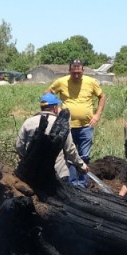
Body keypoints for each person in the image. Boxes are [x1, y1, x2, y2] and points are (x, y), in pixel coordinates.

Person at [47, 59, 106, 187]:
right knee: (69, 155)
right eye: (74, 73)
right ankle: (72, 183)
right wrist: (56, 109)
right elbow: (48, 94)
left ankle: (82, 184)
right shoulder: (61, 82)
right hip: (67, 126)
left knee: (84, 156)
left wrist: (97, 115)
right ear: (69, 71)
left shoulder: (91, 82)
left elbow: (102, 96)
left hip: (86, 126)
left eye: (79, 73)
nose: (76, 76)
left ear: (83, 71)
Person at [16, 93, 88, 182]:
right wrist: (81, 165)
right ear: (54, 108)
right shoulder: (60, 124)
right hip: (58, 173)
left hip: (32, 173)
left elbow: (19, 146)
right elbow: (69, 148)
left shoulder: (28, 122)